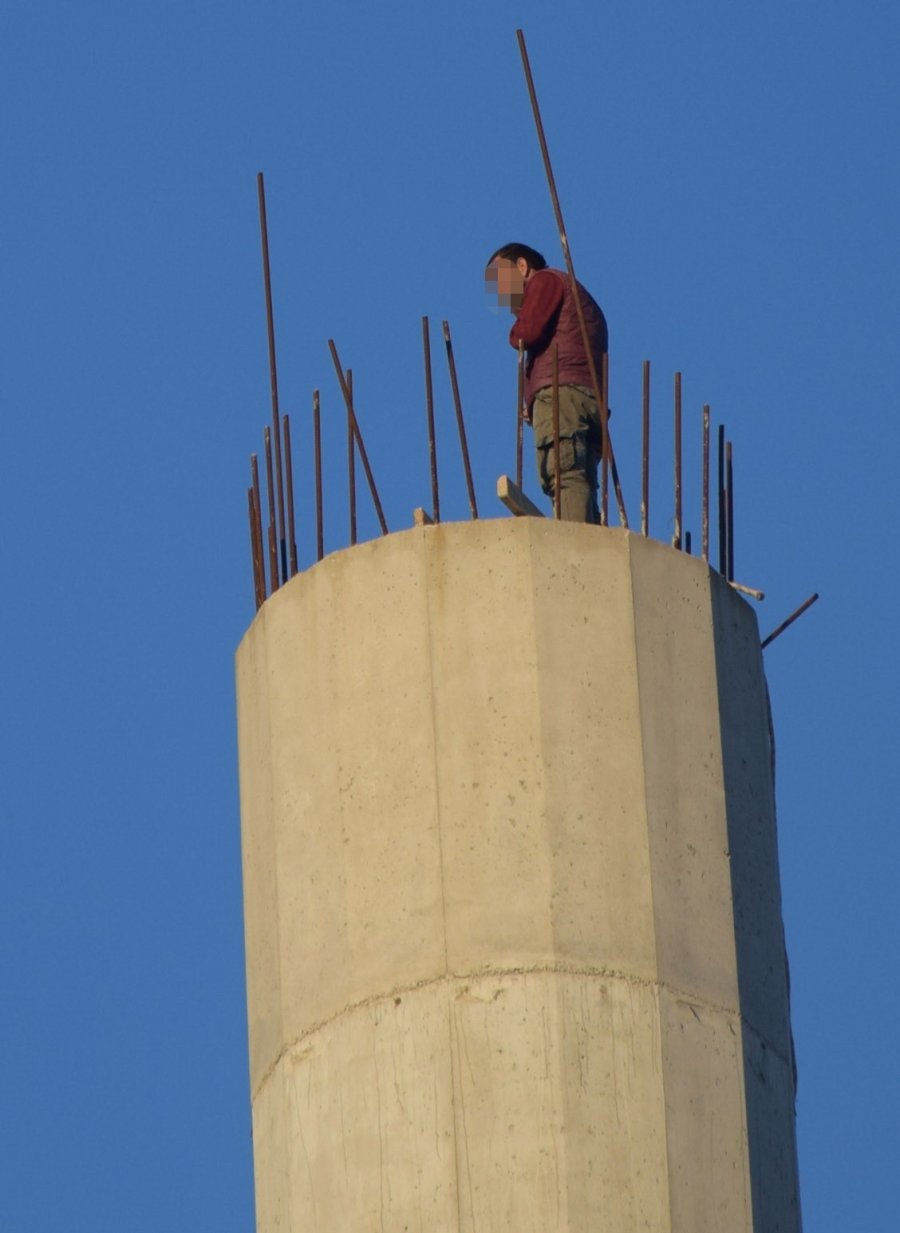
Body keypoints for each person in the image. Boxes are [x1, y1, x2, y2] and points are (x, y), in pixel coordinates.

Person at [485, 242, 608, 523]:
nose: (498, 292)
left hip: (563, 394)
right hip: (585, 397)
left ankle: (573, 545)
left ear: (522, 267)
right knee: (580, 476)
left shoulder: (545, 280)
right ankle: (587, 540)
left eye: (498, 279)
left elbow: (526, 333)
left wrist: (515, 332)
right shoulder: (569, 291)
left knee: (563, 472)